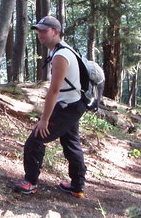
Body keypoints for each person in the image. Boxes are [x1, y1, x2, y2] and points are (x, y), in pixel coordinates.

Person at [14, 15, 88, 198]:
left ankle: (30, 183)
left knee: (35, 141)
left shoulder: (61, 55)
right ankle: (77, 186)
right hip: (74, 103)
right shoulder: (62, 50)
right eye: (38, 31)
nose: (40, 35)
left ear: (56, 32)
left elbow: (54, 91)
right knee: (71, 142)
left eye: (44, 31)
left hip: (68, 106)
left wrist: (44, 120)